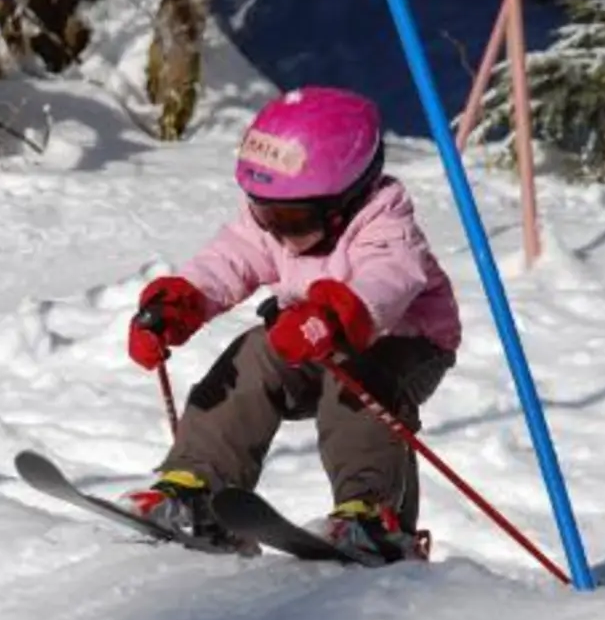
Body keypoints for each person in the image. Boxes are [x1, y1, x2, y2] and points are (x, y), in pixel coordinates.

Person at [120, 86, 461, 564]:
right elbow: (230, 258)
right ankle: (196, 489)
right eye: (264, 211)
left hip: (404, 343)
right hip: (306, 333)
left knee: (360, 384)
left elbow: (388, 280)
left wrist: (330, 318)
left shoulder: (385, 222)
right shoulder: (276, 224)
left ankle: (371, 518)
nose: (276, 230)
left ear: (346, 197)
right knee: (251, 357)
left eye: (293, 218)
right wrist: (182, 303)